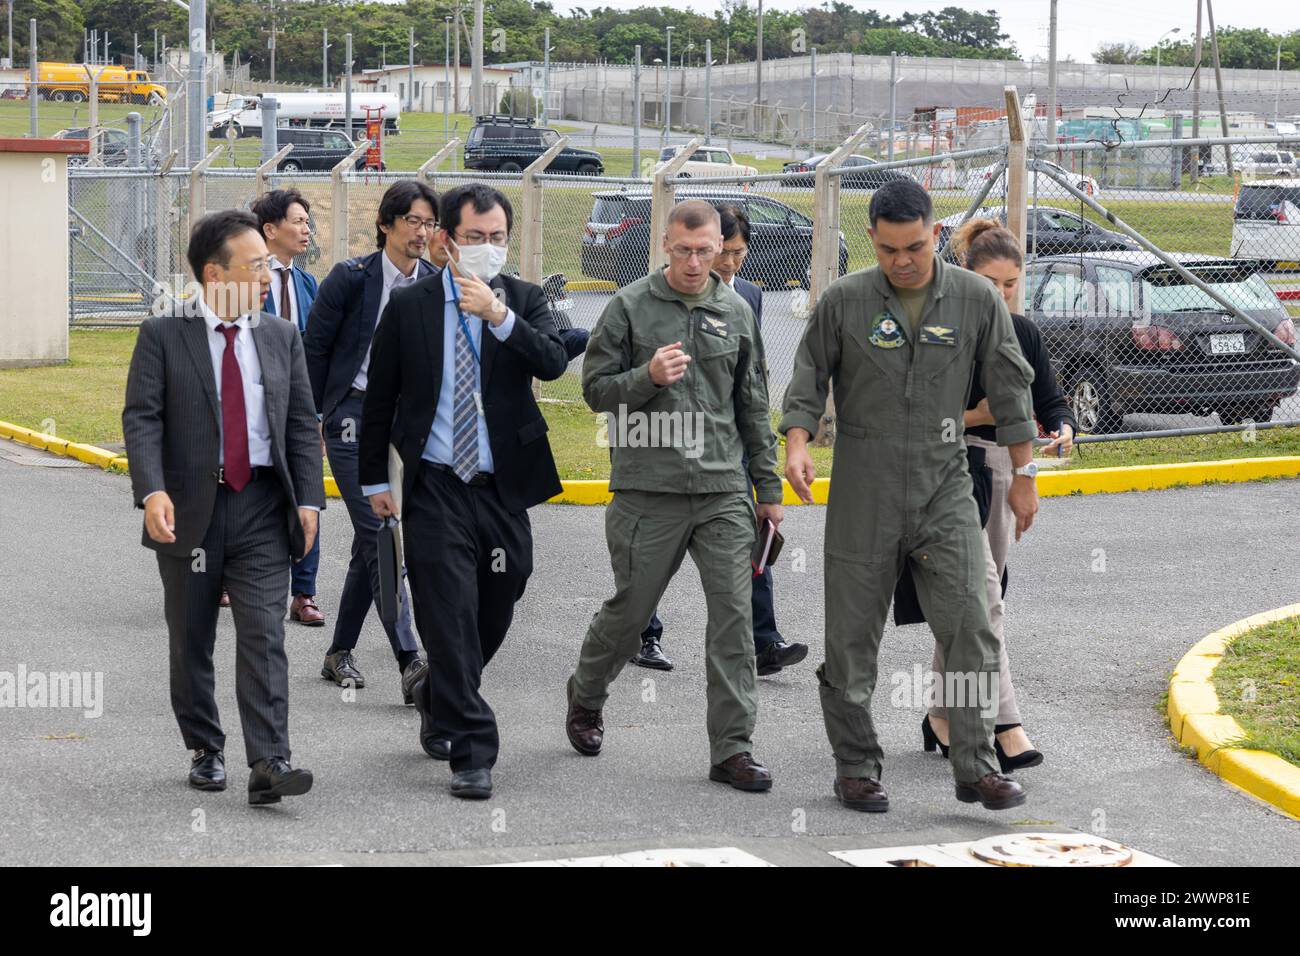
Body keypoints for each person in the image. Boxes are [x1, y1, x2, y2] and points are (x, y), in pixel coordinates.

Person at [781, 179, 1040, 813]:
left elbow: (1011, 386)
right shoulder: (844, 300)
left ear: (935, 236)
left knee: (971, 625)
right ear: (872, 238)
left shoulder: (977, 298)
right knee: (851, 638)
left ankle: (976, 763)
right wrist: (797, 443)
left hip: (945, 480)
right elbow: (809, 377)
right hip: (864, 484)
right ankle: (855, 766)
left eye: (917, 247)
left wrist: (1025, 474)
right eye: (891, 248)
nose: (903, 260)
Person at [564, 200, 784, 792]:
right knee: (632, 613)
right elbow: (596, 393)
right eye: (684, 250)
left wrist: (767, 489)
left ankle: (732, 749)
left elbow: (753, 407)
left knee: (735, 620)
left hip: (720, 490)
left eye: (705, 250)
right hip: (647, 488)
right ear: (666, 244)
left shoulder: (736, 310)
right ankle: (586, 696)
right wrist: (647, 378)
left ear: (721, 248)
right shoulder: (630, 307)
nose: (694, 262)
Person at [360, 184, 569, 800]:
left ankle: (436, 692)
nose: (486, 249)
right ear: (445, 240)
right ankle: (472, 752)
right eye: (474, 238)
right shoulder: (412, 306)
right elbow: (380, 401)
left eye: (497, 238)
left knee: (501, 594)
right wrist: (376, 479)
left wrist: (499, 318)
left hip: (501, 485)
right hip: (436, 484)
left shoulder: (523, 299)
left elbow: (555, 361)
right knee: (447, 609)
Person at [122, 209, 324, 805]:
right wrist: (151, 489)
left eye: (268, 263)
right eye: (255, 264)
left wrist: (309, 499)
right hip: (191, 509)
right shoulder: (164, 332)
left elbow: (298, 424)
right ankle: (206, 747)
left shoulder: (280, 335)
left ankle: (269, 761)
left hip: (262, 504)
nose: (267, 275)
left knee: (264, 633)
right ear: (215, 274)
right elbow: (142, 419)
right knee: (192, 639)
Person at [921, 218, 1077, 772]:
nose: (1002, 294)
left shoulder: (1024, 332)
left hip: (1007, 466)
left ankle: (941, 714)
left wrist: (1062, 428)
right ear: (966, 275)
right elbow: (916, 415)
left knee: (974, 597)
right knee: (983, 597)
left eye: (1011, 284)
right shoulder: (940, 330)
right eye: (991, 283)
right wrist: (974, 415)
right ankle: (1005, 724)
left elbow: (1050, 400)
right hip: (950, 466)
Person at [632, 203, 808, 678]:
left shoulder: (747, 296)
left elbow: (751, 382)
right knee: (653, 559)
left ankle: (763, 640)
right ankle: (639, 632)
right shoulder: (649, 300)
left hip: (732, 447)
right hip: (667, 446)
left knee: (751, 541)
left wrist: (764, 471)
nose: (728, 263)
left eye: (736, 253)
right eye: (721, 252)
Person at [303, 181, 437, 704]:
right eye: (413, 221)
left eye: (430, 223)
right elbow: (314, 349)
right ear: (386, 224)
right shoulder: (351, 278)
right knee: (383, 532)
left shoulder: (436, 283)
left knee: (368, 544)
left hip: (406, 424)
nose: (422, 232)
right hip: (351, 417)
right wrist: (312, 416)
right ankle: (411, 660)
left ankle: (338, 652)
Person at [250, 188, 324, 627]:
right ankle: (225, 574)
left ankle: (304, 593)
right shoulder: (249, 279)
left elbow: (315, 352)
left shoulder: (308, 282)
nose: (306, 229)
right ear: (270, 229)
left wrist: (318, 414)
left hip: (300, 408)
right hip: (255, 406)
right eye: (298, 221)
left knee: (307, 493)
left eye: (307, 221)